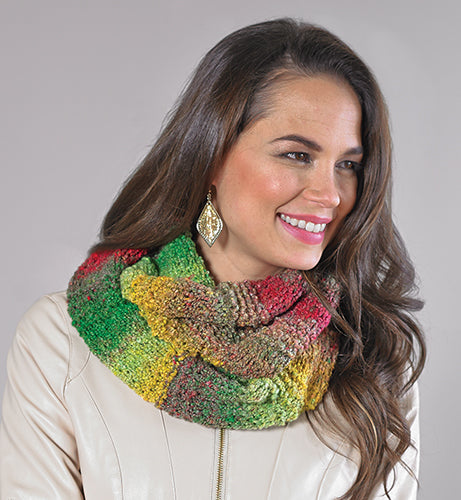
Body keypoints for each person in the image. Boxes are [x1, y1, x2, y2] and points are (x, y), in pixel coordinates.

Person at [0, 18, 425, 500]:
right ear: (211, 157)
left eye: (348, 165)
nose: (330, 194)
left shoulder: (375, 358)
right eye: (296, 155)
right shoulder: (61, 342)